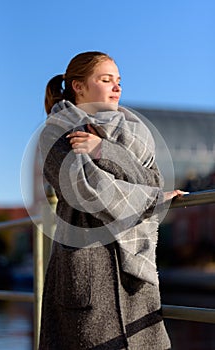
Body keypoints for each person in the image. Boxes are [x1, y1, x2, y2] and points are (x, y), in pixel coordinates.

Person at [38, 51, 185, 349]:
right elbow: (85, 189)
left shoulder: (136, 135)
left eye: (118, 81)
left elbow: (153, 182)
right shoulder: (56, 131)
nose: (117, 87)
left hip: (135, 274)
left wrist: (105, 150)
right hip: (88, 269)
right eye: (106, 80)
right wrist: (151, 198)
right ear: (79, 86)